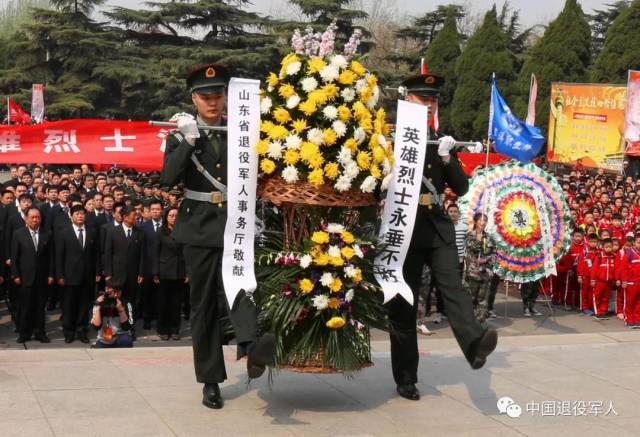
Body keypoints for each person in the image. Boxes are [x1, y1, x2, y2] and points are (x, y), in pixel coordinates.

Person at [161, 63, 275, 410]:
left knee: (243, 285)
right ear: (194, 99)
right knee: (204, 305)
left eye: (218, 96)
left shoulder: (240, 130)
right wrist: (188, 140)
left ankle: (251, 347)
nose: (213, 102)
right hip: (198, 227)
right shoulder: (181, 134)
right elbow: (168, 178)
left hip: (235, 222)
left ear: (226, 97)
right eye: (205, 97)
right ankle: (210, 380)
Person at [390, 71, 498, 401]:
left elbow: (462, 187)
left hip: (437, 224)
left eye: (433, 100)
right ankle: (406, 376)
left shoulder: (439, 139)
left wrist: (448, 158)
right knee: (404, 305)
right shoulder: (394, 137)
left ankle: (474, 344)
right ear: (408, 99)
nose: (429, 105)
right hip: (404, 226)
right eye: (424, 99)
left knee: (453, 284)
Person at [55, 205, 101, 343]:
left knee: (84, 305)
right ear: (71, 216)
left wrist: (98, 271)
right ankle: (69, 331)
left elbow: (96, 254)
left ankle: (81, 330)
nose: (80, 216)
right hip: (69, 276)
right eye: (77, 214)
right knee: (69, 305)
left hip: (87, 275)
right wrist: (60, 275)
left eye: (82, 214)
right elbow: (59, 256)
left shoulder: (92, 232)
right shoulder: (64, 232)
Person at [11, 207, 55, 343]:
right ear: (26, 218)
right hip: (25, 277)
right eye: (33, 217)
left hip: (42, 277)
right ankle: (24, 333)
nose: (35, 220)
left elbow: (51, 257)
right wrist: (15, 275)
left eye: (38, 217)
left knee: (40, 307)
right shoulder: (18, 234)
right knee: (25, 307)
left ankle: (40, 332)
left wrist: (51, 275)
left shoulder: (47, 233)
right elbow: (15, 257)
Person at [153, 207, 187, 340]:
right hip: (164, 272)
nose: (174, 218)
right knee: (163, 302)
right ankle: (163, 329)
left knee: (176, 303)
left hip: (179, 271)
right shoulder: (160, 232)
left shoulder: (183, 231)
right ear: (166, 217)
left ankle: (175, 329)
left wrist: (188, 272)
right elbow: (155, 253)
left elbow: (186, 253)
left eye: (176, 215)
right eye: (171, 215)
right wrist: (155, 272)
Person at [103, 205, 145, 310]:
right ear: (125, 217)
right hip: (116, 273)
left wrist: (141, 273)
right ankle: (116, 324)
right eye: (134, 215)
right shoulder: (113, 231)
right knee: (115, 299)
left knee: (131, 300)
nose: (136, 217)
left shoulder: (140, 233)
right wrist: (108, 273)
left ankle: (129, 324)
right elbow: (107, 254)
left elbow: (142, 255)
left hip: (133, 273)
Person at [463, 213, 496, 321]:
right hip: (472, 272)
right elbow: (467, 253)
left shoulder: (489, 238)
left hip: (485, 273)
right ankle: (469, 319)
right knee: (470, 297)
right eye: (481, 220)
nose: (483, 222)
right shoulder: (469, 235)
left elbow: (494, 254)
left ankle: (480, 320)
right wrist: (474, 261)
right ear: (476, 222)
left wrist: (485, 259)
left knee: (483, 298)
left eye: (485, 220)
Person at [590, 238, 617, 320]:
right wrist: (593, 279)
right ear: (603, 247)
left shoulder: (613, 256)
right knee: (597, 296)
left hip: (609, 282)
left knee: (606, 298)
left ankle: (603, 311)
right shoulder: (599, 256)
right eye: (606, 247)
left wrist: (615, 279)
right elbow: (594, 268)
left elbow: (616, 269)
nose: (608, 249)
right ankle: (597, 312)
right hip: (599, 281)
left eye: (610, 247)